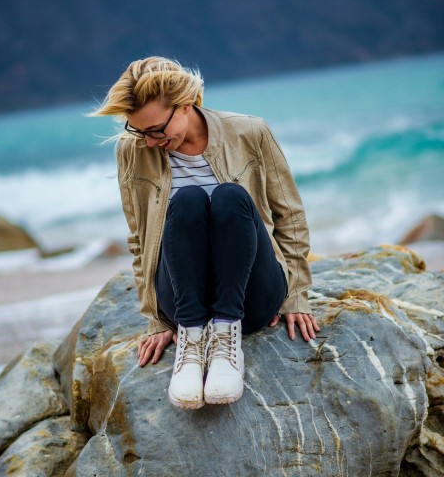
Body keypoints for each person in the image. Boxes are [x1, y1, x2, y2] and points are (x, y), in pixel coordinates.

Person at [90, 56, 319, 409]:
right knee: (188, 200)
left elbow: (289, 215)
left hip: (250, 297)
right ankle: (192, 342)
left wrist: (297, 295)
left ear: (184, 105)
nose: (149, 141)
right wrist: (155, 318)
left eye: (155, 130)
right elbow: (139, 238)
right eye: (139, 131)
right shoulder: (132, 151)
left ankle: (227, 340)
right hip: (182, 301)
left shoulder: (250, 132)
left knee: (230, 197)